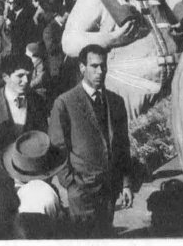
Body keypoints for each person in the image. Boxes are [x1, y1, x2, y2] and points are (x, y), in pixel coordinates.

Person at [49, 44, 133, 237]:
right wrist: (71, 184)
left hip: (110, 188)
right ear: (82, 68)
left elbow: (123, 145)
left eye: (103, 66)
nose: (100, 71)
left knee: (105, 235)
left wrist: (126, 184)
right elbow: (58, 148)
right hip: (81, 190)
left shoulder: (116, 102)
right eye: (94, 66)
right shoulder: (65, 102)